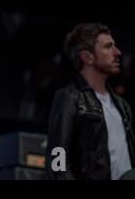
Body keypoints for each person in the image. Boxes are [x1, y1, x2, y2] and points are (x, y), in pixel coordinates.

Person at [46, 23, 134, 180]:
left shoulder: (122, 105)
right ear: (87, 57)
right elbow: (57, 161)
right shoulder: (70, 98)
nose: (117, 52)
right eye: (108, 47)